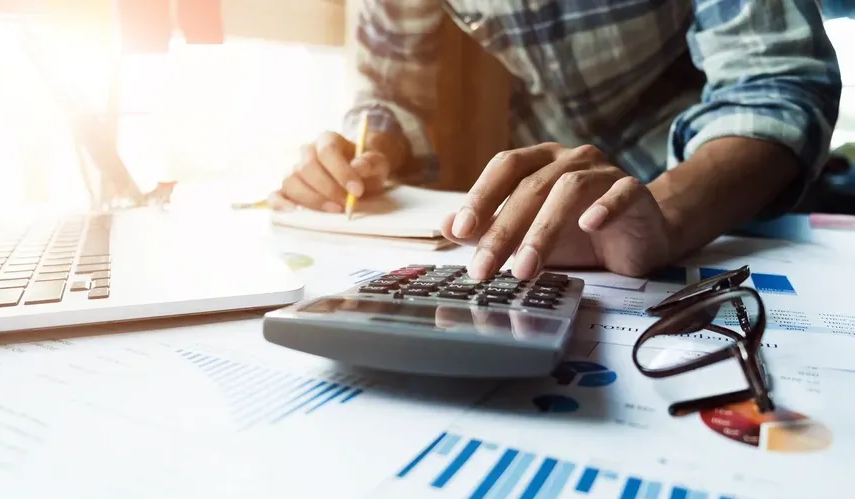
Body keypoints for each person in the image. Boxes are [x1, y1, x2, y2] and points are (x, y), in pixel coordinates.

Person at [268, 1, 842, 280]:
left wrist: (666, 213)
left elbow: (775, 82)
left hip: (716, 207)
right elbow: (397, 96)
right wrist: (369, 154)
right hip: (544, 230)